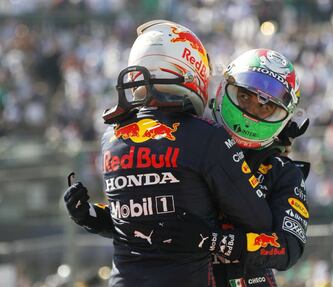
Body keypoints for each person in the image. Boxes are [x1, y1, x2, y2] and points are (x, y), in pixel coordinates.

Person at [63, 21, 273, 287]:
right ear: (190, 67)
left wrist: (92, 217)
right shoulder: (205, 136)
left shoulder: (111, 139)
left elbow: (134, 226)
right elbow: (259, 220)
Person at [153, 49, 310, 287]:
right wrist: (100, 218)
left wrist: (212, 240)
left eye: (265, 107)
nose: (251, 112)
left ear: (285, 117)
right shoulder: (190, 144)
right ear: (223, 90)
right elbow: (147, 219)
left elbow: (288, 247)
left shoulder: (283, 171)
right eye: (245, 97)